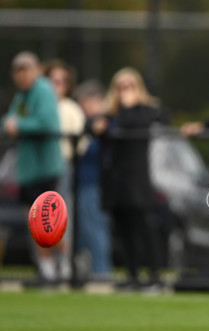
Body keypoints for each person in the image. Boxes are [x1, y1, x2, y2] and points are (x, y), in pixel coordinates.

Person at [91, 67, 168, 290]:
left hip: (137, 181)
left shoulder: (144, 111)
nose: (125, 92)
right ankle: (132, 275)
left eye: (129, 86)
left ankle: (154, 275)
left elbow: (152, 118)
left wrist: (130, 105)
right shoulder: (110, 115)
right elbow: (91, 126)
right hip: (115, 182)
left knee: (143, 227)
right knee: (123, 230)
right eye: (121, 87)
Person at [1, 51, 67, 283]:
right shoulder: (22, 96)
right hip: (28, 170)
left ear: (35, 70)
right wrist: (11, 124)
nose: (22, 75)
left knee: (49, 222)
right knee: (36, 222)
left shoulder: (43, 90)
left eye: (26, 70)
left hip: (46, 169)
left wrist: (18, 125)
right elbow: (9, 120)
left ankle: (67, 263)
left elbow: (47, 122)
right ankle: (47, 269)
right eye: (18, 71)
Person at [44, 59, 86, 281]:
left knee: (60, 216)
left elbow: (81, 142)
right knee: (38, 217)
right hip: (39, 169)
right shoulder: (38, 106)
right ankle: (46, 267)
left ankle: (67, 263)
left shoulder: (70, 109)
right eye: (52, 81)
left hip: (61, 166)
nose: (57, 85)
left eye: (61, 81)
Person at [73, 79, 113, 281]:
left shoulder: (106, 123)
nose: (84, 107)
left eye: (88, 102)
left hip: (95, 184)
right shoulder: (85, 126)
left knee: (95, 228)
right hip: (82, 184)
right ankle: (88, 272)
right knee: (82, 232)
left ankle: (102, 273)